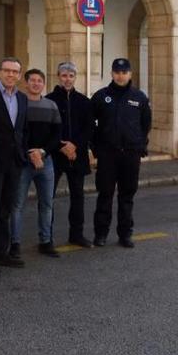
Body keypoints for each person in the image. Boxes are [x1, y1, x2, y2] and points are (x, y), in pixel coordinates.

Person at [90, 58, 152, 248]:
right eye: (117, 71)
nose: (120, 75)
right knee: (105, 195)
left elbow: (146, 124)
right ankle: (100, 234)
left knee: (127, 196)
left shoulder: (139, 97)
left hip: (130, 155)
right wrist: (95, 148)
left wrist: (140, 145)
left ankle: (125, 234)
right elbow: (91, 124)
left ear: (130, 74)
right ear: (112, 73)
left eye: (124, 72)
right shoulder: (101, 96)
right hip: (108, 154)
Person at [0, 57, 31, 271]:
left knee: (6, 209)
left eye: (15, 72)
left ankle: (1, 252)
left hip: (14, 162)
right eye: (7, 71)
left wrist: (23, 153)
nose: (11, 75)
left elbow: (21, 130)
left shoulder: (22, 98)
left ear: (20, 76)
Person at [11, 68, 61, 258]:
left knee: (47, 204)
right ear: (25, 83)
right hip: (23, 162)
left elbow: (57, 135)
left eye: (40, 80)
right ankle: (14, 243)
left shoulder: (51, 106)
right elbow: (17, 135)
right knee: (17, 205)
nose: (36, 83)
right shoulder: (18, 104)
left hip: (46, 162)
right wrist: (29, 154)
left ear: (44, 84)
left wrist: (42, 152)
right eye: (32, 80)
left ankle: (46, 241)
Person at [46, 62, 94, 248]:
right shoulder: (49, 100)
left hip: (77, 155)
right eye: (64, 75)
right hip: (55, 155)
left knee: (78, 197)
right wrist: (61, 146)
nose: (67, 79)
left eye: (71, 76)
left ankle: (77, 234)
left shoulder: (84, 101)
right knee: (48, 197)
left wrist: (74, 145)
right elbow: (47, 129)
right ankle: (46, 237)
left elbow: (89, 128)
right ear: (58, 76)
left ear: (75, 78)